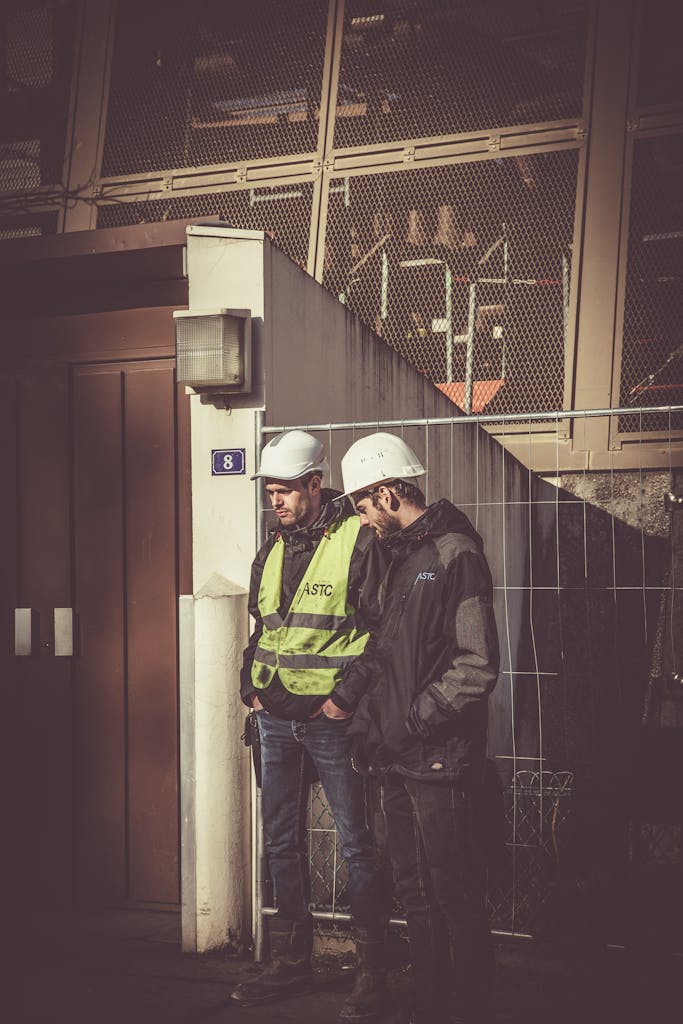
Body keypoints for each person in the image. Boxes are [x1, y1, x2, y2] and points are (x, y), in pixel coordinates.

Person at [231, 429, 394, 1023]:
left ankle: (371, 970)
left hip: (331, 723)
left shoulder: (358, 538)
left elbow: (381, 629)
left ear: (315, 485)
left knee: (357, 845)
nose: (274, 501)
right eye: (269, 492)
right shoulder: (271, 548)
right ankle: (290, 961)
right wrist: (250, 688)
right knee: (280, 842)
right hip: (275, 719)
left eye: (284, 491)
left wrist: (343, 701)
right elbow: (264, 628)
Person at [340, 432, 500, 1024]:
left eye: (362, 505)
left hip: (437, 754)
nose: (361, 518)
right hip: (395, 752)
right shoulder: (399, 556)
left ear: (387, 492)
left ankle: (470, 1003)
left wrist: (415, 719)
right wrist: (369, 721)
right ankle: (433, 999)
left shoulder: (455, 553)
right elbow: (385, 651)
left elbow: (477, 662)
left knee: (451, 887)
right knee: (411, 886)